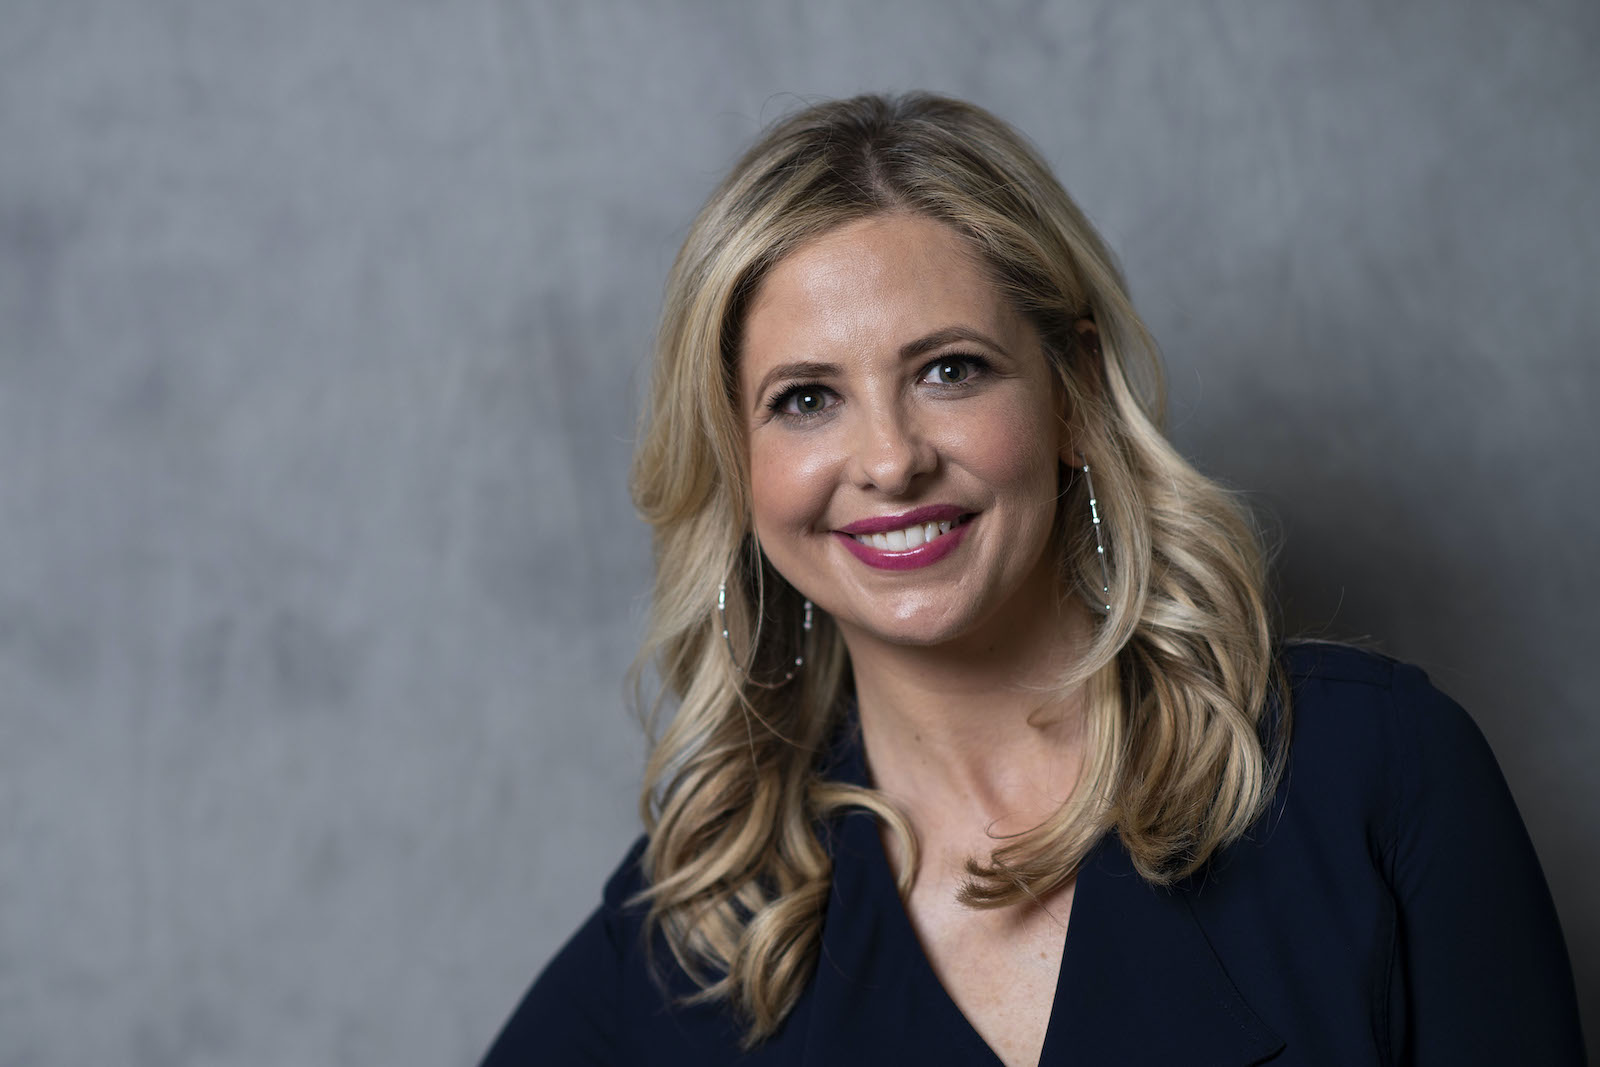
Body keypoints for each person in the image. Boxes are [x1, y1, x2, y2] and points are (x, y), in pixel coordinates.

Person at [480, 93, 1585, 1065]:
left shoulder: (1373, 776)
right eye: (805, 398)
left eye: (948, 369)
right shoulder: (707, 923)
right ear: (739, 462)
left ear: (1072, 397)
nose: (889, 458)